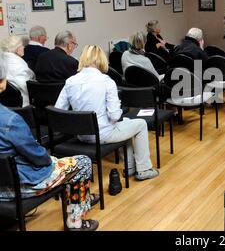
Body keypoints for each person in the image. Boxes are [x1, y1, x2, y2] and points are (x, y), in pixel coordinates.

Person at [0, 54, 99, 231]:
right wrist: (49, 160)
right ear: (2, 83)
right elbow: (39, 158)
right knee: (82, 162)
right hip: (17, 186)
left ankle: (82, 196)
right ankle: (75, 222)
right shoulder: (10, 120)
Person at [55, 45, 159, 181]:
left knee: (126, 124)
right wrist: (118, 109)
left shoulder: (70, 82)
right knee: (140, 124)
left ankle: (130, 167)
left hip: (82, 135)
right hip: (102, 135)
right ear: (101, 60)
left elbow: (58, 111)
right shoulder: (106, 81)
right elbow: (115, 116)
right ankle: (144, 169)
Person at [0, 35, 35, 106]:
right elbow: (27, 88)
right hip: (22, 105)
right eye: (22, 45)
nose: (24, 47)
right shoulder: (18, 65)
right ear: (16, 48)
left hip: (5, 104)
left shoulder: (3, 60)